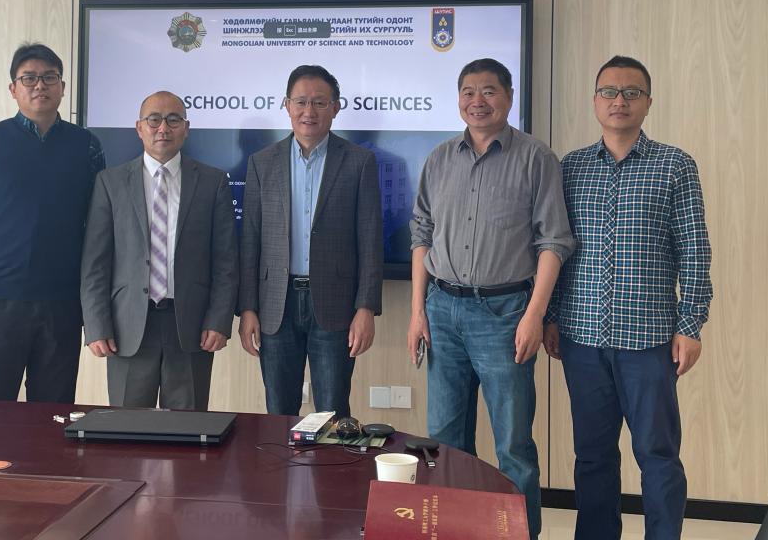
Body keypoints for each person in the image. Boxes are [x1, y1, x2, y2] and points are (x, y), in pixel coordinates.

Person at [544, 56, 712, 540]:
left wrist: (690, 325)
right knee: (592, 456)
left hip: (649, 343)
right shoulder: (571, 168)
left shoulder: (675, 166)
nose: (619, 101)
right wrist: (551, 315)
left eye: (631, 92)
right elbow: (557, 249)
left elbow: (694, 251)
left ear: (648, 102)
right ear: (595, 101)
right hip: (581, 339)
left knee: (657, 455)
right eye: (609, 92)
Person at [407, 57, 575, 539]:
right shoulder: (440, 158)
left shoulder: (536, 158)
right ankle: (453, 531)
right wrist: (418, 313)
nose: (477, 101)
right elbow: (422, 234)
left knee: (513, 446)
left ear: (509, 97)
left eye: (488, 91)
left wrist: (534, 316)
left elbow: (554, 242)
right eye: (468, 92)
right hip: (442, 309)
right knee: (444, 442)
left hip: (505, 314)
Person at [0, 43, 105, 403]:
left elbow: (99, 229)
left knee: (53, 414)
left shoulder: (87, 146)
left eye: (49, 77)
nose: (40, 85)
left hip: (63, 303)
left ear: (63, 87)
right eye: (29, 78)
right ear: (13, 89)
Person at [238, 65, 382, 419]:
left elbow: (370, 239)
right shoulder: (261, 163)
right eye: (301, 101)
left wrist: (366, 307)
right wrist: (247, 308)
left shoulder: (359, 162)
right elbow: (251, 239)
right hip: (276, 305)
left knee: (332, 413)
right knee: (278, 413)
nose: (309, 111)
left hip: (335, 304)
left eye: (320, 102)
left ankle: (329, 461)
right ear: (286, 105)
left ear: (336, 107)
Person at [80, 91, 238, 410]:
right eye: (154, 120)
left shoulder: (213, 182)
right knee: (127, 428)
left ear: (186, 128)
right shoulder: (110, 183)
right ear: (139, 128)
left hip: (191, 326)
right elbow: (95, 263)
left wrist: (219, 320)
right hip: (127, 326)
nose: (163, 128)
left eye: (173, 120)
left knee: (188, 429)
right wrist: (97, 325)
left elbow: (225, 262)